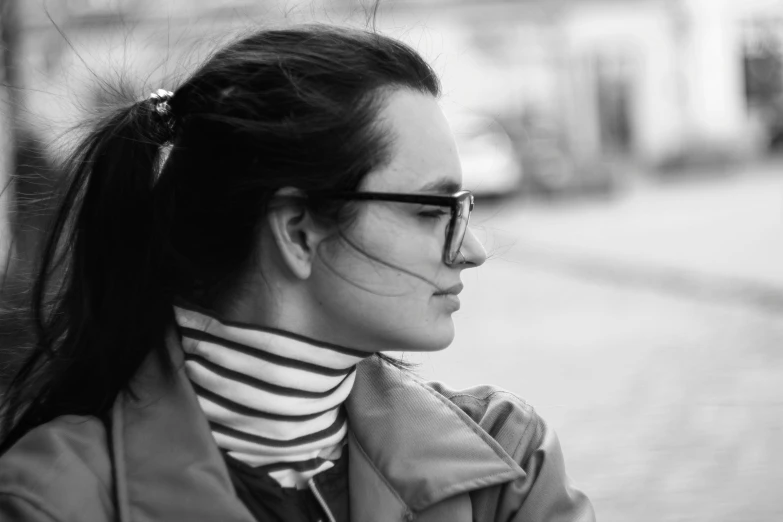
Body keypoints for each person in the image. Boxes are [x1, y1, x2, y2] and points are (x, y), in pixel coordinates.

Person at [0, 24, 595, 522]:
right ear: (297, 231)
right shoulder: (55, 500)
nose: (471, 250)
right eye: (429, 211)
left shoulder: (507, 459)